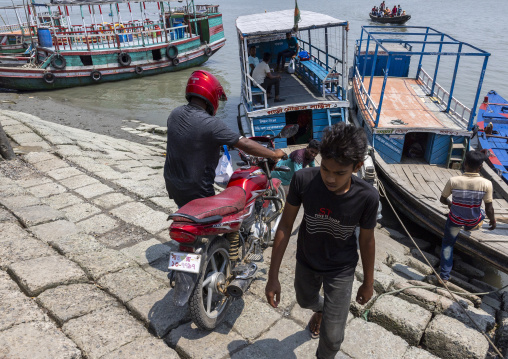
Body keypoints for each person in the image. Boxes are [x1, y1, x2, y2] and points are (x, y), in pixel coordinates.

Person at [265, 122, 378, 359]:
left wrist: (368, 282)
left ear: (356, 167)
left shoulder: (367, 197)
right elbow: (285, 225)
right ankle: (322, 310)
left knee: (334, 336)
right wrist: (272, 276)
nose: (330, 178)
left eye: (339, 173)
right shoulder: (303, 180)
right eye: (325, 169)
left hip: (341, 268)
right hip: (307, 260)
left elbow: (367, 241)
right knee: (305, 300)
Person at [164, 70, 286, 207]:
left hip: (173, 187)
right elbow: (245, 143)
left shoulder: (175, 114)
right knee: (235, 213)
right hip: (198, 193)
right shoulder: (210, 123)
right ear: (210, 94)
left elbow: (190, 139)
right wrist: (274, 154)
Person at [439, 150, 496, 283]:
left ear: (465, 164)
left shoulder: (453, 180)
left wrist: (450, 204)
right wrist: (493, 221)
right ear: (480, 167)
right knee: (480, 212)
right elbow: (489, 208)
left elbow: (442, 199)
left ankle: (444, 276)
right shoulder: (487, 183)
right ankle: (471, 225)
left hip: (455, 220)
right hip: (473, 219)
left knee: (447, 245)